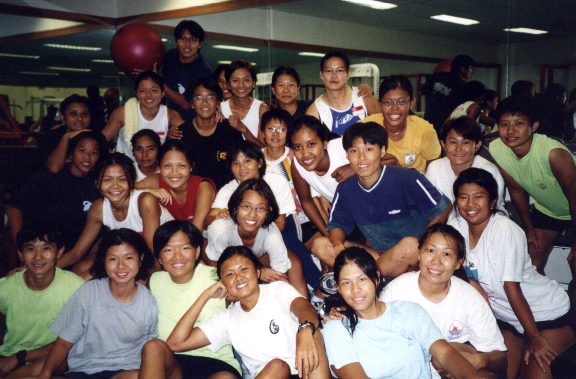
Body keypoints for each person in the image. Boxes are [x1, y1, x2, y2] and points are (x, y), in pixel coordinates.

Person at [449, 168, 575, 379]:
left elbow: (511, 287)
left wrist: (534, 336)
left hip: (544, 314)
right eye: (463, 197)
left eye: (478, 197)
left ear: (492, 202)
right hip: (507, 319)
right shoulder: (455, 228)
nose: (470, 204)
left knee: (536, 374)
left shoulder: (504, 230)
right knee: (496, 374)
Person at [160, 245, 330, 379]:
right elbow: (176, 344)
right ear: (223, 282)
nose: (238, 278)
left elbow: (305, 308)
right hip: (268, 376)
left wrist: (305, 330)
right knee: (278, 367)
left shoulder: (276, 290)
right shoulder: (226, 319)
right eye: (229, 274)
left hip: (306, 371)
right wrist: (205, 296)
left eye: (244, 269)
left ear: (257, 272)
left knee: (314, 333)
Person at [312, 122, 451, 277]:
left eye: (369, 149)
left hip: (413, 254)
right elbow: (337, 225)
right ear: (347, 155)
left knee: (409, 244)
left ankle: (367, 279)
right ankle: (378, 277)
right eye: (354, 151)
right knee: (320, 245)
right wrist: (338, 246)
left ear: (383, 151)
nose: (362, 157)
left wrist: (424, 244)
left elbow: (444, 207)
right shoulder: (346, 189)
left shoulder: (407, 178)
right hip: (379, 256)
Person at [321, 247, 483, 379]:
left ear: (376, 278)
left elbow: (445, 353)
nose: (355, 289)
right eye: (346, 282)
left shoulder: (408, 311)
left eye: (362, 279)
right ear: (337, 287)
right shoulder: (336, 329)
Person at [381, 224, 507, 379]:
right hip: (412, 370)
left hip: (457, 370)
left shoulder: (469, 296)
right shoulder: (395, 292)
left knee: (449, 358)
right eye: (430, 250)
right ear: (419, 254)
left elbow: (500, 360)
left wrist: (477, 360)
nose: (436, 261)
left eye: (446, 254)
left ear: (459, 263)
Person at [37, 229, 158, 379]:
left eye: (128, 258)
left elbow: (153, 350)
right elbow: (63, 343)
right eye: (113, 259)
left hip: (125, 371)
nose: (121, 266)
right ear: (104, 261)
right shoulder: (89, 292)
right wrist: (45, 374)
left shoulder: (149, 300)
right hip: (83, 370)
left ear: (140, 259)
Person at [139, 220, 241, 379]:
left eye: (185, 248)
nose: (177, 256)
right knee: (153, 347)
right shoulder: (154, 282)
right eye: (168, 250)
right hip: (173, 363)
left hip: (216, 363)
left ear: (197, 251)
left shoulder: (218, 277)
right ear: (159, 257)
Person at [488, 96, 576, 274]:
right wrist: (529, 231)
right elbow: (516, 189)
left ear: (533, 126)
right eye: (504, 124)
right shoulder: (496, 148)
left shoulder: (553, 154)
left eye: (518, 123)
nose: (510, 131)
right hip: (549, 210)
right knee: (529, 266)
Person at [59, 152, 173, 276]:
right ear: (97, 183)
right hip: (127, 255)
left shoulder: (145, 201)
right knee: (78, 270)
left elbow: (150, 252)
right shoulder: (98, 208)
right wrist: (40, 268)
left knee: (90, 278)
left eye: (122, 179)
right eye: (107, 179)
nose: (115, 186)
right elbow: (76, 253)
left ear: (131, 182)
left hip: (164, 254)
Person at [0, 227, 84, 378]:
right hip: (7, 357)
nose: (38, 257)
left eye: (46, 248)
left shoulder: (76, 288)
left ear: (59, 252)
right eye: (30, 249)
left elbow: (75, 340)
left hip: (51, 359)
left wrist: (18, 358)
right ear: (20, 254)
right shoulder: (6, 286)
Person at [206, 179, 307, 297]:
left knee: (294, 264)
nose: (252, 214)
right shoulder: (220, 230)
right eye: (246, 206)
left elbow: (280, 279)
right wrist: (258, 272)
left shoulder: (271, 235)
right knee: (231, 293)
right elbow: (215, 270)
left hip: (257, 257)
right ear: (235, 208)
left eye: (260, 208)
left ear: (268, 212)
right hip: (226, 262)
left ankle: (303, 307)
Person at [6, 131, 106, 249]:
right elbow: (14, 209)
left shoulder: (99, 184)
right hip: (43, 248)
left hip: (75, 252)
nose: (87, 157)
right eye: (82, 150)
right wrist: (23, 248)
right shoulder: (49, 177)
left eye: (94, 152)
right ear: (71, 153)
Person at [261, 108, 323, 290]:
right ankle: (317, 286)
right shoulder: (255, 159)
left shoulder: (296, 155)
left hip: (302, 216)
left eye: (281, 129)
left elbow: (312, 191)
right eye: (270, 128)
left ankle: (319, 286)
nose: (275, 133)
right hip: (271, 220)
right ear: (262, 132)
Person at [167, 76, 244, 190]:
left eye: (210, 98)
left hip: (228, 194)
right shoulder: (181, 133)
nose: (204, 103)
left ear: (218, 103)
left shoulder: (231, 130)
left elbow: (241, 166)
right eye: (198, 98)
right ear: (192, 103)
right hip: (193, 194)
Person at [205, 140, 296, 232]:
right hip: (245, 233)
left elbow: (280, 223)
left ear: (260, 163)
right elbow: (207, 222)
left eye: (247, 161)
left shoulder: (277, 181)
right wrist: (219, 215)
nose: (242, 167)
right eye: (236, 163)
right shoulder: (228, 189)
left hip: (278, 229)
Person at [426, 116, 505, 221]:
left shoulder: (488, 170)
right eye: (453, 142)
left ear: (477, 145)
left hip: (485, 225)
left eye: (466, 142)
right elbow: (429, 209)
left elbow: (493, 208)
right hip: (446, 228)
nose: (459, 149)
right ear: (443, 144)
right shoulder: (435, 168)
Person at [361, 75, 440, 173]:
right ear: (379, 105)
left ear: (411, 103)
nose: (395, 108)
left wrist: (397, 167)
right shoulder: (366, 126)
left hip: (413, 185)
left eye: (401, 102)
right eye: (388, 102)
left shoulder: (424, 129)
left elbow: (435, 170)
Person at [102, 71, 185, 161]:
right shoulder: (122, 113)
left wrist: (172, 138)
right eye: (143, 91)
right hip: (127, 170)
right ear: (136, 93)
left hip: (157, 171)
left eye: (154, 90)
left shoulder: (170, 114)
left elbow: (190, 134)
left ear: (162, 93)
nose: (149, 95)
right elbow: (99, 141)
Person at [136, 139, 216, 231]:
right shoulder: (157, 181)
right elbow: (126, 189)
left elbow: (197, 231)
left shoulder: (202, 187)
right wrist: (150, 190)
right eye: (168, 166)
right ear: (159, 166)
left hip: (204, 238)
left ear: (190, 167)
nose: (174, 172)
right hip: (176, 236)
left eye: (181, 166)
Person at [306, 51, 379, 135]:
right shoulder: (314, 112)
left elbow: (383, 128)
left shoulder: (364, 96)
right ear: (321, 74)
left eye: (340, 70)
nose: (334, 75)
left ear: (348, 74)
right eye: (329, 71)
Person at [161, 20, 212, 120]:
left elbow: (187, 104)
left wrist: (158, 82)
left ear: (200, 44)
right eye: (183, 39)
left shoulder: (204, 70)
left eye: (193, 40)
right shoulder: (170, 56)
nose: (187, 45)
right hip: (169, 119)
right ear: (176, 41)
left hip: (192, 123)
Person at [220, 60, 269, 147]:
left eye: (246, 80)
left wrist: (244, 130)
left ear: (253, 83)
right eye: (235, 80)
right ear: (228, 84)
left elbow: (264, 149)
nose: (241, 85)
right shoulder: (221, 108)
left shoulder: (262, 108)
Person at [39, 94, 92, 173]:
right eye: (73, 114)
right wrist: (66, 137)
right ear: (62, 117)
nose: (80, 118)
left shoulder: (94, 138)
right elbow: (54, 168)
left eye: (84, 114)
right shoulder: (52, 136)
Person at [422, 54, 474, 133]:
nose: (471, 70)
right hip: (446, 127)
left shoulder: (436, 76)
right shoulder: (462, 85)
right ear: (463, 69)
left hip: (428, 122)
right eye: (470, 67)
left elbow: (422, 90)